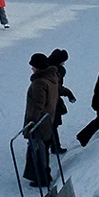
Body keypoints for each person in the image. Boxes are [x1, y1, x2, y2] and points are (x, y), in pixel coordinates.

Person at [22, 52, 60, 187]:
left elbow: (38, 104)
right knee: (42, 150)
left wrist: (31, 123)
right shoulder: (52, 78)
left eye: (33, 66)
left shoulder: (40, 83)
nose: (31, 68)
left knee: (38, 151)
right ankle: (43, 175)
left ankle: (42, 177)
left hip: (39, 123)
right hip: (48, 119)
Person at [47, 49, 76, 154]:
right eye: (63, 61)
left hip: (52, 101)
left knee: (53, 125)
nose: (64, 63)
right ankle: (54, 146)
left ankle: (54, 145)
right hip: (51, 102)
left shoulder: (51, 69)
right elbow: (56, 88)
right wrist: (68, 92)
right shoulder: (54, 72)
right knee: (53, 125)